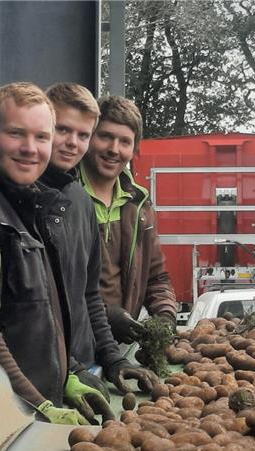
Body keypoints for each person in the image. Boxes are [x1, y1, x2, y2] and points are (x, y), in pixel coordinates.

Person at [0, 82, 84, 425]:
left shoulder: (35, 208)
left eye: (41, 137)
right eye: (16, 134)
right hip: (2, 419)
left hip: (34, 412)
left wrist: (67, 374)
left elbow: (44, 312)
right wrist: (39, 404)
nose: (30, 148)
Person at [38, 83, 159, 423]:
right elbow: (34, 308)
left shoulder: (84, 202)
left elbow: (86, 294)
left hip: (87, 360)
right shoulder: (26, 200)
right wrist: (65, 372)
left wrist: (115, 359)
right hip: (46, 373)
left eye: (81, 134)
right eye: (62, 130)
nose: (71, 142)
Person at [79, 95, 177, 344]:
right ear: (88, 137)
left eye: (125, 141)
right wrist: (103, 315)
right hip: (73, 346)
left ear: (135, 150)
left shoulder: (139, 205)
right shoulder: (64, 196)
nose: (114, 149)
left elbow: (157, 277)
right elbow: (48, 286)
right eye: (105, 136)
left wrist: (165, 316)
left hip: (118, 346)